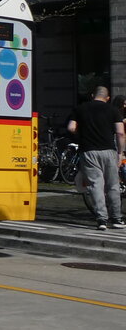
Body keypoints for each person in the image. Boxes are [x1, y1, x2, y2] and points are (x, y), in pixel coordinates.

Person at [68, 85, 126, 230]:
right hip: (109, 151)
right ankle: (117, 219)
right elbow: (120, 133)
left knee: (96, 185)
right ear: (107, 98)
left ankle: (101, 220)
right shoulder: (113, 110)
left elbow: (71, 127)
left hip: (88, 151)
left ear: (92, 95)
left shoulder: (80, 109)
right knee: (113, 185)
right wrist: (120, 152)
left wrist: (81, 134)